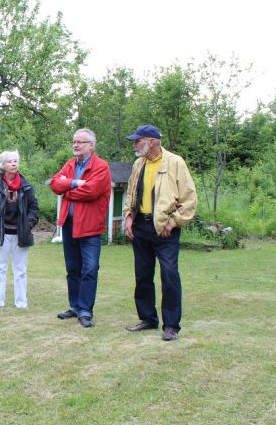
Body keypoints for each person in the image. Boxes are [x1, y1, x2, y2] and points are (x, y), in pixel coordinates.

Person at [122, 124, 197, 341]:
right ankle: (148, 319)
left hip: (165, 230)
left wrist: (173, 223)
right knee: (143, 275)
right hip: (141, 227)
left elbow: (189, 199)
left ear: (151, 141)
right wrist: (128, 217)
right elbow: (131, 195)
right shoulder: (139, 164)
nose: (134, 145)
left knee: (169, 275)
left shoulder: (175, 162)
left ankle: (171, 325)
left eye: (138, 141)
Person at [49, 128, 112, 328]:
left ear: (91, 145)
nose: (75, 145)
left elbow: (92, 191)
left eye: (80, 142)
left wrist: (67, 191)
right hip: (69, 225)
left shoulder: (101, 167)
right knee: (73, 268)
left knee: (90, 269)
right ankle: (75, 307)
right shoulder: (69, 165)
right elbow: (54, 184)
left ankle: (85, 310)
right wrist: (74, 183)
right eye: (74, 142)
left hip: (90, 227)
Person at [0, 150, 39, 309]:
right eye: (10, 161)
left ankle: (21, 303)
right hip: (2, 234)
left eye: (15, 161)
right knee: (0, 269)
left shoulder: (26, 186)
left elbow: (34, 209)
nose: (13, 163)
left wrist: (28, 225)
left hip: (21, 234)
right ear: (3, 165)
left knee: (20, 270)